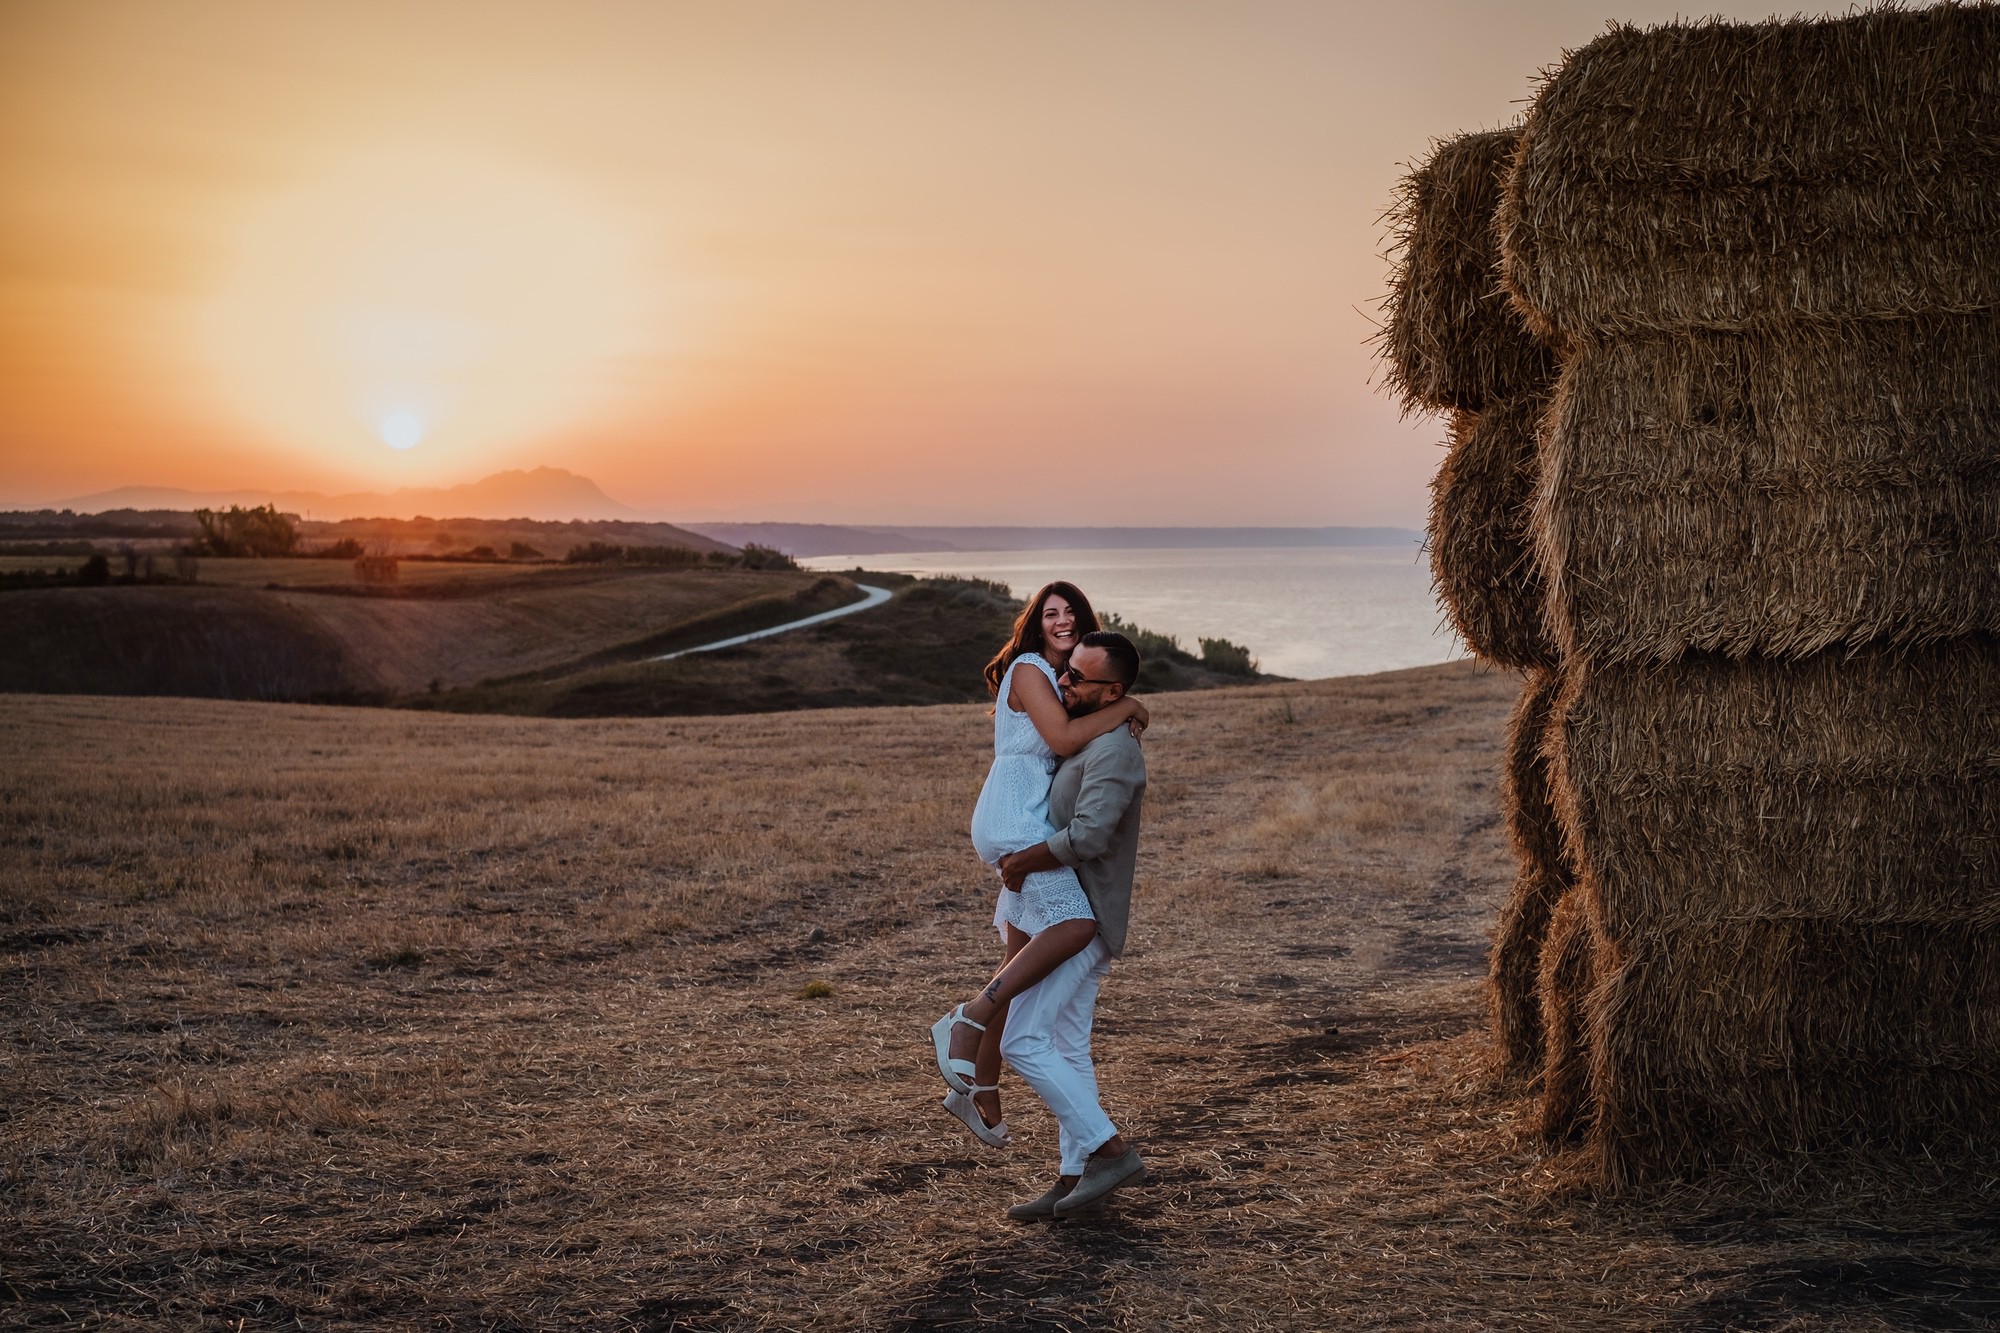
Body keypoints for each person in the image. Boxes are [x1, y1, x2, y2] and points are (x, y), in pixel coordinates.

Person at [931, 583, 1147, 1149]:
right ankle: (966, 1017)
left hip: (1030, 815)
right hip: (1015, 815)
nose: (1062, 620)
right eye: (1050, 612)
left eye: (1071, 611)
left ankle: (979, 1089)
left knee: (1019, 957)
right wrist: (1126, 705)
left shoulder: (1067, 681)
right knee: (1074, 926)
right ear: (1035, 623)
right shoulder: (1029, 668)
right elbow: (1063, 737)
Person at [996, 630, 1149, 1219]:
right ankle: (1074, 1178)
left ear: (1112, 691)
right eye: (1066, 672)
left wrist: (1025, 860)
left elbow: (1088, 836)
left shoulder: (1115, 751)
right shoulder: (1092, 738)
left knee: (1020, 1039)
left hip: (1081, 920)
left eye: (1077, 678)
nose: (1063, 683)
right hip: (1065, 912)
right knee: (1067, 1045)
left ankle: (1111, 1152)